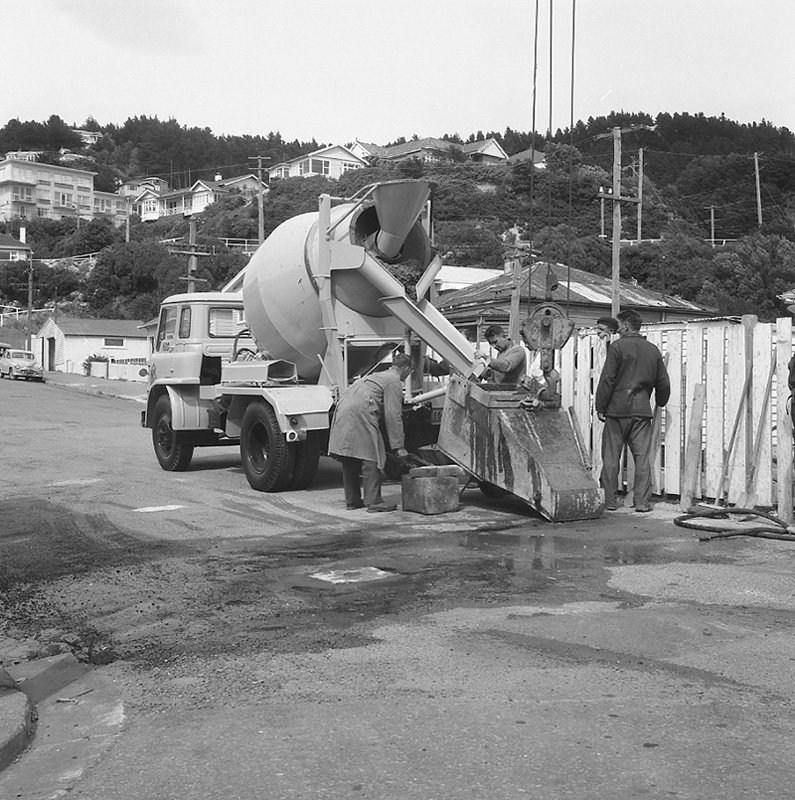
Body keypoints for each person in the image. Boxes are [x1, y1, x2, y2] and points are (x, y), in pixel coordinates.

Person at [595, 309, 670, 513]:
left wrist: (600, 406)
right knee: (642, 459)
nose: (617, 329)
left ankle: (610, 501)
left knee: (611, 458)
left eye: (619, 326)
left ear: (627, 326)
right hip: (641, 411)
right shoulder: (653, 350)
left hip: (616, 411)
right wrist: (661, 401)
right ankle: (642, 503)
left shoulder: (617, 347)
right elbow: (663, 382)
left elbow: (608, 379)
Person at [328, 353, 412, 513]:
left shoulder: (378, 375)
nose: (408, 376)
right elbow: (393, 414)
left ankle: (352, 501)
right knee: (372, 455)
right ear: (406, 369)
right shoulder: (394, 381)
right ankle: (374, 501)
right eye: (409, 372)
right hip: (361, 409)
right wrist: (399, 446)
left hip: (345, 405)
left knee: (351, 454)